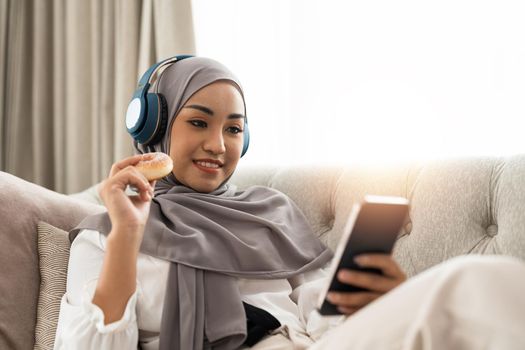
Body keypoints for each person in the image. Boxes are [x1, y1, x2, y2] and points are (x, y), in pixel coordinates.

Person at [54, 56, 525, 350]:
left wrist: (376, 301)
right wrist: (128, 236)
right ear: (154, 127)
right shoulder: (105, 233)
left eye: (234, 129)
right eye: (199, 122)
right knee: (469, 283)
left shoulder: (268, 210)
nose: (218, 145)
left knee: (484, 283)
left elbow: (321, 312)